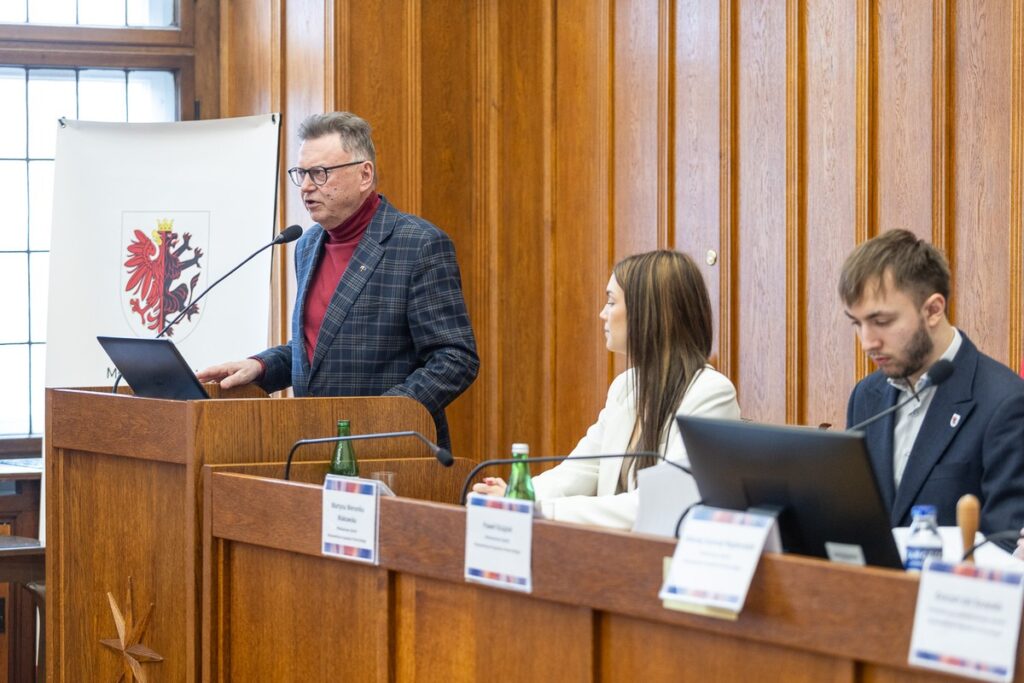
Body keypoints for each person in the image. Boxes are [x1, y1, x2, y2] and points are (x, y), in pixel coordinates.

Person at [198, 112, 479, 450]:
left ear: (365, 174)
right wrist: (259, 366)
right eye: (301, 173)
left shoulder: (418, 244)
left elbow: (455, 358)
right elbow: (318, 349)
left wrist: (383, 414)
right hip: (315, 444)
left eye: (320, 173)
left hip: (393, 449)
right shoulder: (307, 245)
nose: (305, 186)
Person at [473, 250, 740, 530]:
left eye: (611, 302)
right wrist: (516, 495)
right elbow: (581, 469)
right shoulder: (626, 387)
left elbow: (657, 505)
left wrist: (540, 509)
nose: (602, 313)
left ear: (649, 312)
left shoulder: (711, 394)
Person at [841, 229, 1024, 541]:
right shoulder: (866, 396)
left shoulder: (1005, 403)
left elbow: (1006, 542)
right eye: (857, 324)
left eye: (882, 322)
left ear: (933, 310)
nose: (868, 343)